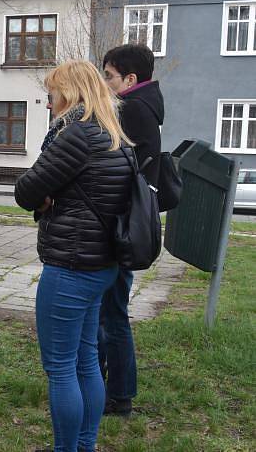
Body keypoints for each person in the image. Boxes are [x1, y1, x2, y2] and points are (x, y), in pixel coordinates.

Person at [14, 60, 134, 452]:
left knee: (62, 368)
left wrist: (47, 197)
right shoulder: (115, 136)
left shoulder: (76, 135)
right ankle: (85, 445)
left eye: (52, 94)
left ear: (70, 93)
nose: (49, 103)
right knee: (85, 361)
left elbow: (26, 189)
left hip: (69, 267)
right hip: (103, 265)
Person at [99, 44, 164, 417]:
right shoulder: (146, 108)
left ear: (130, 79)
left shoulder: (132, 110)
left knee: (112, 314)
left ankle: (119, 394)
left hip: (121, 225)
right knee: (111, 311)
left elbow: (116, 170)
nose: (104, 82)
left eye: (108, 76)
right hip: (129, 223)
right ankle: (107, 382)